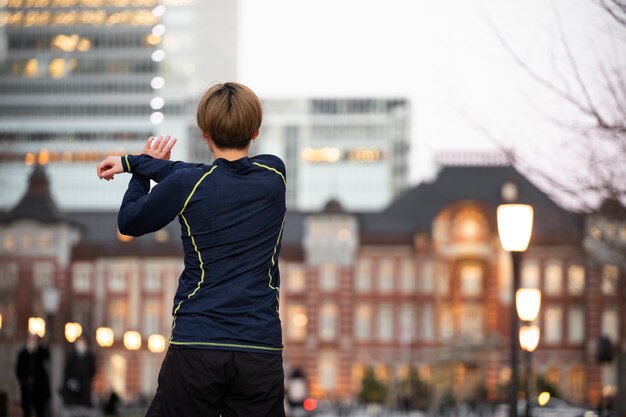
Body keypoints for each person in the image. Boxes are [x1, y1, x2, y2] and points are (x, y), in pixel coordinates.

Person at [96, 82, 286, 417]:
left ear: (204, 134)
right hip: (260, 347)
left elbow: (129, 221)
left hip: (199, 342)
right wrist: (134, 161)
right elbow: (197, 172)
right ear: (255, 131)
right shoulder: (274, 174)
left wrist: (138, 169)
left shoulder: (189, 185)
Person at [15, 334, 51, 417]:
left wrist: (43, 344)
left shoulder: (40, 353)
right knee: (26, 411)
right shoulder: (22, 354)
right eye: (30, 339)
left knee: (40, 411)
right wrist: (24, 381)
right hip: (27, 389)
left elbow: (47, 355)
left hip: (39, 390)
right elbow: (19, 371)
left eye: (34, 340)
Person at [61, 336, 96, 409]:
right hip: (72, 395)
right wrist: (71, 382)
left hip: (85, 393)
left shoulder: (90, 358)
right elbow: (67, 372)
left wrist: (84, 383)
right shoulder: (72, 357)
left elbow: (92, 373)